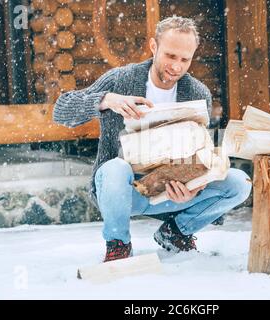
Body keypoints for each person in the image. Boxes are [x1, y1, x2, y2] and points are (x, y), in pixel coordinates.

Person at [53, 16, 252, 262]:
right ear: (154, 47)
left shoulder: (198, 93)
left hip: (170, 193)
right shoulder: (121, 79)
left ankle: (176, 232)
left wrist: (194, 186)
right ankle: (119, 245)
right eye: (170, 56)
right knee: (115, 167)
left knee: (239, 183)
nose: (177, 67)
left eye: (184, 59)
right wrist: (107, 100)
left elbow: (202, 154)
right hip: (124, 191)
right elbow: (61, 111)